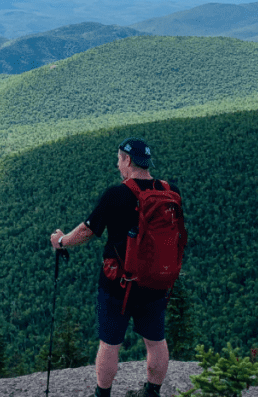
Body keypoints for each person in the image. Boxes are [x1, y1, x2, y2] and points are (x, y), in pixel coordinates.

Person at [50, 137, 183, 397]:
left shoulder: (117, 194)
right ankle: (152, 392)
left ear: (128, 160)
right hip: (157, 281)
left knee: (110, 344)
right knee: (156, 341)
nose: (117, 165)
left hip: (118, 284)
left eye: (119, 159)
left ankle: (102, 394)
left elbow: (87, 231)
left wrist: (61, 241)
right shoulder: (171, 192)